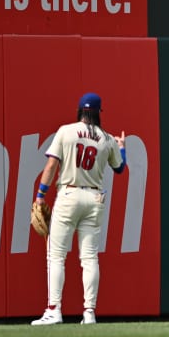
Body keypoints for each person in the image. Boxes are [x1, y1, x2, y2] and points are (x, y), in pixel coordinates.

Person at [31, 92, 127, 325]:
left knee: (56, 256)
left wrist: (40, 195)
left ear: (80, 111)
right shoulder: (107, 139)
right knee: (89, 258)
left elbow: (52, 164)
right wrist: (122, 147)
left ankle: (54, 310)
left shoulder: (66, 131)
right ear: (98, 113)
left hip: (69, 194)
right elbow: (120, 168)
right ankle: (89, 313)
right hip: (94, 198)